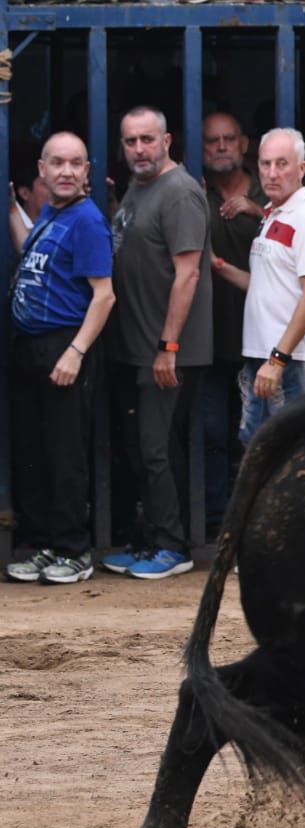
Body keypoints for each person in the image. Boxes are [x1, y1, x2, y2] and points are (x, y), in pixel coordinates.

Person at [105, 106, 214, 580]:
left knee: (156, 449)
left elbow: (187, 273)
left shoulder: (180, 192)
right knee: (143, 447)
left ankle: (173, 546)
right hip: (136, 346)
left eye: (147, 140)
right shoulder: (138, 188)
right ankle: (151, 539)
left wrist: (168, 345)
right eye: (130, 141)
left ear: (167, 140)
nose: (139, 150)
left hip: (168, 351)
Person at [5, 132, 115, 584]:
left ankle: (73, 550)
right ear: (43, 170)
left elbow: (104, 297)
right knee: (36, 451)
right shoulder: (53, 214)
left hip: (64, 346)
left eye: (75, 164)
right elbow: (30, 247)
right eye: (58, 163)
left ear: (87, 172)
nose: (66, 171)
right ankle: (44, 545)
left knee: (65, 452)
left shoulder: (87, 221)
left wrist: (75, 352)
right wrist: (10, 204)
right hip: (32, 347)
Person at [211, 129, 305, 447]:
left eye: (282, 164)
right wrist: (217, 265)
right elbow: (264, 285)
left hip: (288, 362)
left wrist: (277, 361)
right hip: (264, 357)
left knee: (281, 459)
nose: (271, 173)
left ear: (301, 169)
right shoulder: (275, 213)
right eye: (265, 164)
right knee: (258, 450)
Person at [199, 112, 265, 531]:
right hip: (205, 337)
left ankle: (252, 521)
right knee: (210, 434)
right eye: (212, 141)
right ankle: (213, 522)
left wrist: (257, 210)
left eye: (229, 139)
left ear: (244, 144)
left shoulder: (268, 192)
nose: (221, 147)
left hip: (258, 338)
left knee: (255, 436)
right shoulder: (193, 193)